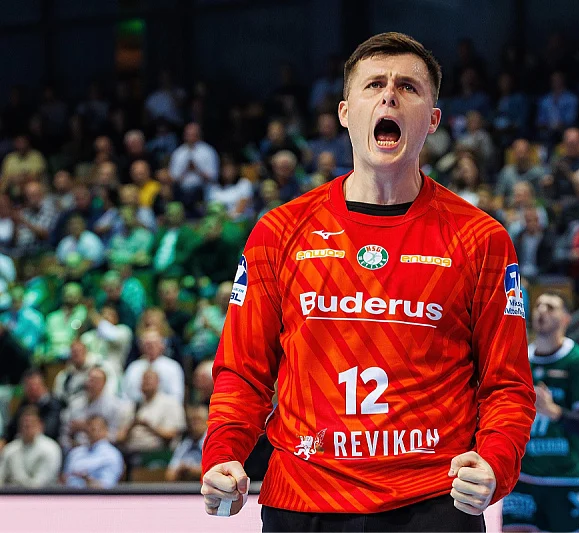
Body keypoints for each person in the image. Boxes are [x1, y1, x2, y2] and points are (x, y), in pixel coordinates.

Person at [200, 32, 536, 532]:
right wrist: (224, 452)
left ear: (433, 120)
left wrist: (495, 463)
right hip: (303, 501)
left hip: (433, 501)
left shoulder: (480, 239)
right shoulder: (279, 231)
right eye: (374, 84)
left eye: (408, 87)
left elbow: (507, 384)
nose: (389, 96)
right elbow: (243, 372)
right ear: (344, 112)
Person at [500, 292, 579, 532]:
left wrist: (553, 411)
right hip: (523, 479)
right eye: (538, 305)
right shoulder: (518, 360)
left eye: (550, 306)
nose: (542, 310)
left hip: (565, 479)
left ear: (566, 318)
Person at [0, 407, 62, 487]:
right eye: (24, 425)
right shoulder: (11, 449)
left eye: (31, 424)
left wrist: (17, 471)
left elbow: (39, 485)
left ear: (40, 425)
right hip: (10, 493)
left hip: (45, 494)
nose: (27, 427)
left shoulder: (50, 448)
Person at [61, 414, 125, 488]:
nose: (89, 432)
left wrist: (86, 479)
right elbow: (64, 479)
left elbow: (107, 486)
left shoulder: (112, 455)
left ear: (105, 430)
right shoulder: (75, 452)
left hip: (94, 494)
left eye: (93, 429)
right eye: (87, 429)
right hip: (68, 493)